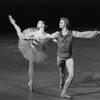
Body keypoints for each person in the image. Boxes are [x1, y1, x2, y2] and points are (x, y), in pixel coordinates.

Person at [48, 17, 100, 98]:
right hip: (59, 57)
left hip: (68, 57)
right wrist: (32, 37)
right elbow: (47, 36)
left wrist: (95, 32)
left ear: (65, 24)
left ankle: (63, 93)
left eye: (61, 22)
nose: (59, 24)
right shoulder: (57, 34)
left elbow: (83, 34)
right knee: (62, 71)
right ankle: (61, 82)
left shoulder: (72, 33)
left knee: (71, 75)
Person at [8, 15, 50, 92]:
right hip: (31, 45)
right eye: (38, 22)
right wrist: (30, 37)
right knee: (31, 64)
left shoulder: (46, 35)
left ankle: (14, 24)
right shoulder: (35, 33)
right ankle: (30, 81)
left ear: (43, 25)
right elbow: (25, 37)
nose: (38, 23)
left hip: (39, 47)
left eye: (39, 22)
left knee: (33, 60)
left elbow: (51, 38)